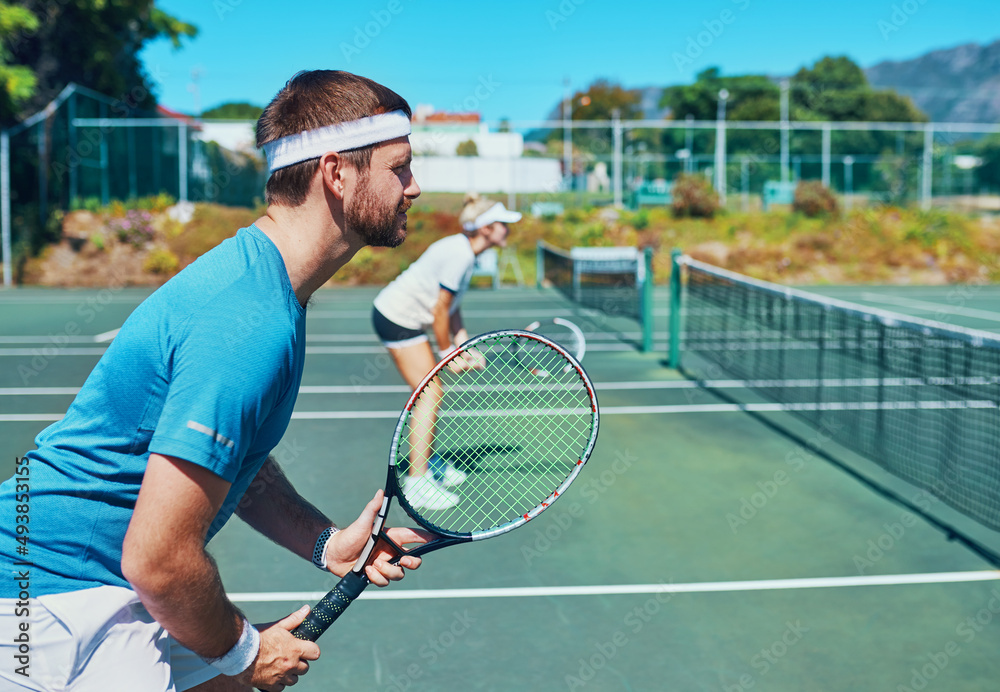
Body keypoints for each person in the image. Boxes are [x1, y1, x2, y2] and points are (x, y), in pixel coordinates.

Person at [0, 70, 429, 692]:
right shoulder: (249, 321)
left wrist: (326, 544)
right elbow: (159, 558)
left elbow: (236, 459)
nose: (415, 188)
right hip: (54, 602)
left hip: (70, 588)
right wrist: (245, 653)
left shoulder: (264, 287)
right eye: (401, 167)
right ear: (337, 173)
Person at [371, 193, 521, 510]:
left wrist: (464, 345)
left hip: (405, 317)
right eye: (503, 224)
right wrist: (447, 352)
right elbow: (440, 310)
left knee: (430, 392)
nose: (508, 230)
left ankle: (426, 461)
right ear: (486, 228)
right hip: (398, 318)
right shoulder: (460, 255)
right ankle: (417, 481)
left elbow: (452, 308)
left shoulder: (466, 251)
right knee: (429, 393)